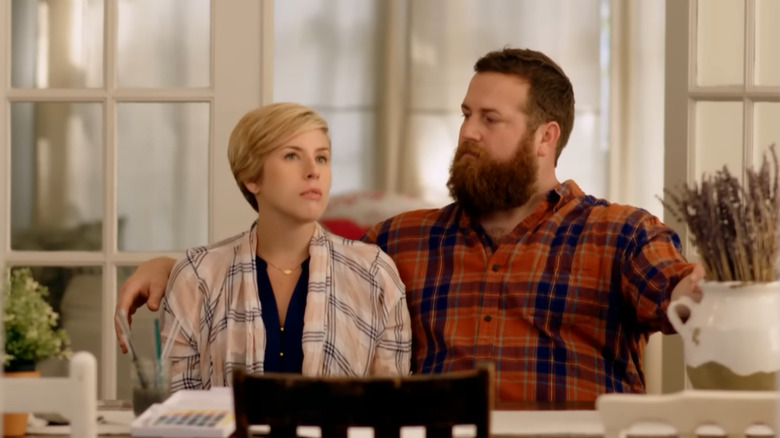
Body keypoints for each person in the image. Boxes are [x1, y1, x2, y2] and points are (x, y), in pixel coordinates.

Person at [116, 48, 703, 401]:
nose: (467, 131)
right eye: (466, 114)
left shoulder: (620, 233)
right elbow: (296, 255)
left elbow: (682, 295)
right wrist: (174, 266)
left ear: (545, 137)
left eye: (490, 118)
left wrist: (714, 292)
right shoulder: (401, 241)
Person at [152, 103, 411, 391]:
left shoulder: (375, 274)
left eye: (322, 158)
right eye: (292, 156)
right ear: (251, 177)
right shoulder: (197, 277)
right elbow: (178, 407)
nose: (313, 171)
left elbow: (388, 410)